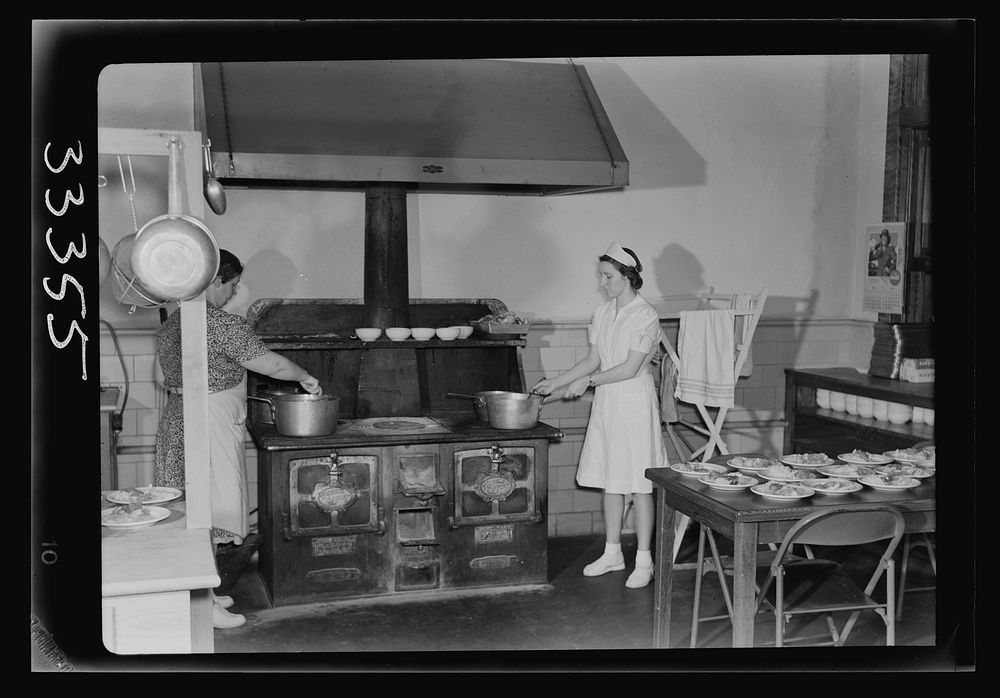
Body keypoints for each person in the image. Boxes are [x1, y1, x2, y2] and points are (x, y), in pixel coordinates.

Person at [154, 249, 321, 628]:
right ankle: (201, 608)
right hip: (206, 425)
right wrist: (305, 377)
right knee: (205, 516)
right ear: (213, 281)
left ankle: (204, 591)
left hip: (178, 420)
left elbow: (163, 377)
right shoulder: (220, 324)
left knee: (191, 514)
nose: (234, 291)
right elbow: (272, 364)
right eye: (231, 284)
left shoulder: (170, 324)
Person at [531, 242, 669, 589]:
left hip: (635, 402)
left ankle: (644, 560)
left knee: (639, 486)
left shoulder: (646, 315)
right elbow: (594, 360)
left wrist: (587, 382)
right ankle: (612, 553)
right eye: (601, 277)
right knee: (612, 480)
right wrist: (556, 381)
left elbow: (629, 367)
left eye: (608, 277)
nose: (603, 283)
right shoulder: (603, 313)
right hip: (608, 403)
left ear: (628, 277)